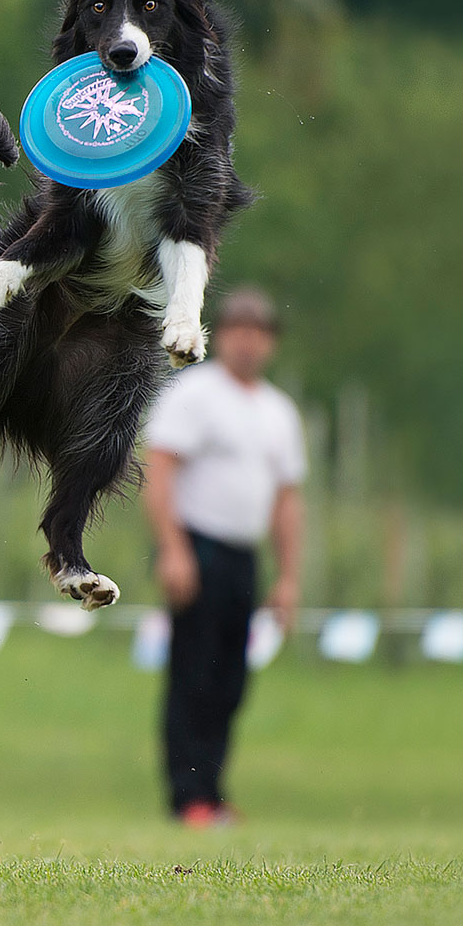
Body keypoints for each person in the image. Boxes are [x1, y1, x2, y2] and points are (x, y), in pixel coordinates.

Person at [143, 286, 307, 826]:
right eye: (237, 331)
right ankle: (186, 797)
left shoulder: (279, 412)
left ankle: (211, 793)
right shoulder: (195, 394)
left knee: (231, 681)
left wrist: (287, 577)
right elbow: (160, 471)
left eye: (257, 333)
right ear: (220, 336)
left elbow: (286, 500)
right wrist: (173, 550)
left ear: (272, 343)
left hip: (243, 557)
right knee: (194, 673)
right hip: (199, 547)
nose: (247, 344)